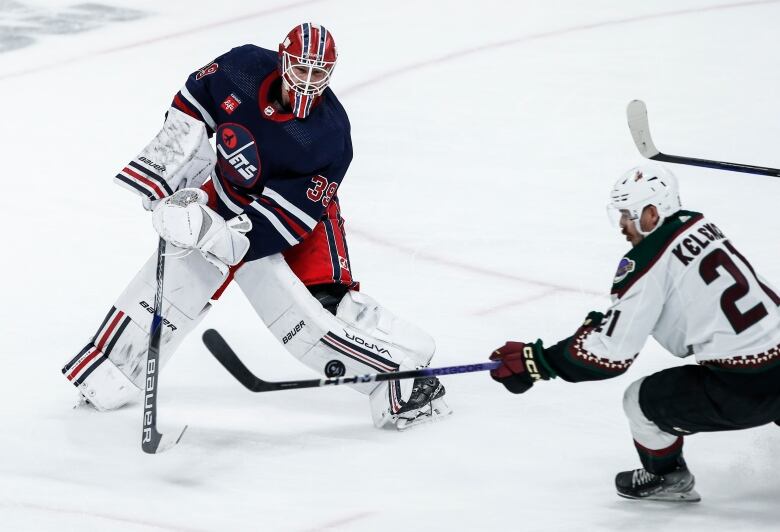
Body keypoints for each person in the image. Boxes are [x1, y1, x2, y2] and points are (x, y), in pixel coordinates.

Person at [62, 23, 451, 430]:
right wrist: (164, 174)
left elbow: (286, 218)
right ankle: (107, 380)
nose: (308, 82)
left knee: (310, 311)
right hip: (225, 193)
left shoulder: (329, 136)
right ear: (283, 60)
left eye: (319, 74)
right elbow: (192, 105)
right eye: (301, 69)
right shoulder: (242, 67)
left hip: (301, 220)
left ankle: (403, 382)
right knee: (165, 293)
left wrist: (213, 235)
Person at [488, 164, 780, 501]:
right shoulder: (699, 224)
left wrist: (537, 362)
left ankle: (667, 477)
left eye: (628, 214)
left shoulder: (647, 263)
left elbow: (609, 355)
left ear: (653, 213)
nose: (623, 225)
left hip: (746, 386)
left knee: (640, 401)